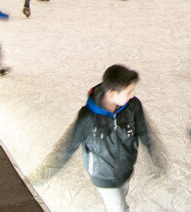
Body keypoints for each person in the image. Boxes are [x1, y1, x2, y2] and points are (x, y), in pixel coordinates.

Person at [33, 65, 163, 212]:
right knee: (118, 208)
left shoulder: (133, 105)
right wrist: (43, 175)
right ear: (113, 94)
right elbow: (67, 147)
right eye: (128, 92)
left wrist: (156, 157)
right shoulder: (88, 118)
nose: (132, 95)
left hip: (126, 168)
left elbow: (144, 131)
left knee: (120, 199)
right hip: (103, 175)